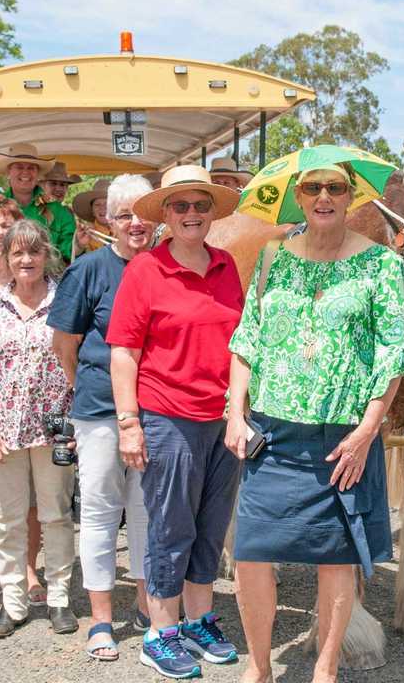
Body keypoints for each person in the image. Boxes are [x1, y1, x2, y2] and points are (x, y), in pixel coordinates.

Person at [225, 164, 404, 683]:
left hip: (342, 438)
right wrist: (234, 411)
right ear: (298, 197)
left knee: (335, 560)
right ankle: (259, 666)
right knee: (251, 555)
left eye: (335, 187)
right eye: (313, 188)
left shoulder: (381, 264)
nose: (324, 196)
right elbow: (247, 339)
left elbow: (392, 354)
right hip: (272, 432)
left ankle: (326, 668)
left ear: (352, 196)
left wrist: (367, 430)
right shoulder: (271, 258)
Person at [106, 165, 244, 679]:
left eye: (200, 205)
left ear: (212, 213)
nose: (191, 214)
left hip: (221, 419)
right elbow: (123, 353)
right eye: (181, 206)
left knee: (210, 526)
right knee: (171, 526)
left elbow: (240, 345)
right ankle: (160, 631)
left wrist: (238, 407)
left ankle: (199, 619)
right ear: (165, 214)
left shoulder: (227, 265)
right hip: (167, 416)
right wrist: (128, 423)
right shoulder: (146, 270)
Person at [49, 174, 155, 662]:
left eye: (143, 213)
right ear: (106, 220)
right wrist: (92, 386)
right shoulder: (88, 271)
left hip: (157, 411)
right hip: (99, 410)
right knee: (98, 509)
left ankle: (147, 603)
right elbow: (65, 345)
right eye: (124, 214)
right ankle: (101, 617)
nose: (136, 223)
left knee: (146, 511)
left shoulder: (165, 267)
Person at [0, 220, 78, 639]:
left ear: (46, 254)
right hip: (4, 432)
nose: (25, 260)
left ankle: (60, 598)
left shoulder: (65, 302)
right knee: (8, 520)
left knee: (56, 515)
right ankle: (12, 603)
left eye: (33, 252)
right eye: (17, 253)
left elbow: (79, 365)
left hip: (56, 428)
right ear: (5, 259)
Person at [0, 144, 77, 262]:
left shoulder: (59, 211)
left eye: (31, 168)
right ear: (9, 172)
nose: (25, 172)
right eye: (19, 167)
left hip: (47, 277)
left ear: (38, 173)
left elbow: (69, 251)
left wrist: (79, 244)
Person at [71, 179, 113, 256]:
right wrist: (80, 245)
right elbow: (74, 256)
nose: (103, 208)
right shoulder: (85, 232)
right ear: (92, 211)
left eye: (107, 204)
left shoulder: (124, 230)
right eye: (97, 205)